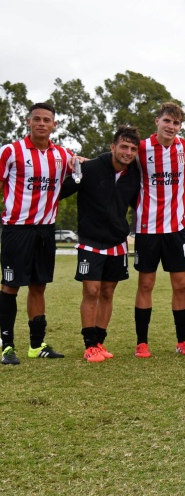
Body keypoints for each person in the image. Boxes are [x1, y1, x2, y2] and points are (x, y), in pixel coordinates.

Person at [60, 127, 142, 362]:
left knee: (107, 292)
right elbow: (59, 191)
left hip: (117, 242)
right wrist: (71, 163)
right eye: (124, 147)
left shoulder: (135, 173)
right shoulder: (90, 168)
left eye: (133, 149)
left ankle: (99, 342)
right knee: (91, 290)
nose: (128, 152)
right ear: (112, 146)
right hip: (90, 241)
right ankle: (89, 345)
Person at [0, 102, 73, 364]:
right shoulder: (10, 151)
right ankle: (6, 346)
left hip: (45, 229)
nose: (42, 123)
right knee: (10, 286)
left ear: (54, 125)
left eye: (47, 120)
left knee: (38, 286)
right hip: (16, 229)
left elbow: (80, 173)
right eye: (37, 119)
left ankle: (36, 345)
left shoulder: (63, 156)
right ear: (28, 122)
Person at [133, 102, 185, 358]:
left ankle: (182, 340)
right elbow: (116, 159)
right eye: (167, 121)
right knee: (146, 283)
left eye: (176, 123)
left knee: (181, 284)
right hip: (147, 228)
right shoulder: (141, 148)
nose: (171, 127)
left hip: (176, 229)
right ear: (157, 121)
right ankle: (142, 342)